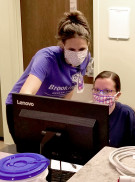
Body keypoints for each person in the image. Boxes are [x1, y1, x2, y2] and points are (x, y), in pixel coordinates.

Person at [6, 11, 92, 142]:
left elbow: (70, 88)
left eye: (81, 49)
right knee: (32, 151)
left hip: (49, 107)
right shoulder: (46, 57)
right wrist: (37, 118)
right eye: (71, 50)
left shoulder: (86, 58)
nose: (77, 54)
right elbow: (26, 93)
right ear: (62, 45)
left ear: (88, 45)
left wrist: (63, 114)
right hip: (20, 107)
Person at [92, 71, 135, 147]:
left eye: (106, 91)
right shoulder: (86, 112)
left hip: (116, 157)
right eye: (96, 90)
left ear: (117, 95)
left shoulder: (126, 113)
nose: (100, 95)